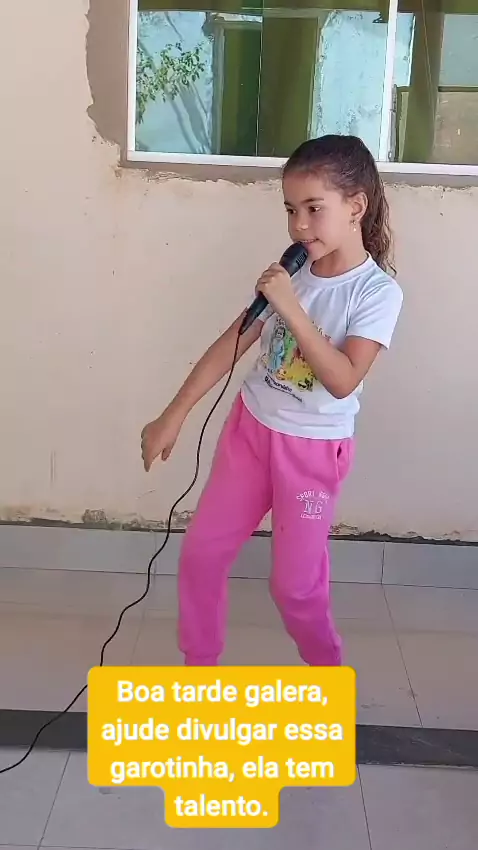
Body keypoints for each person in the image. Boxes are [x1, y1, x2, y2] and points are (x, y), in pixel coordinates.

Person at [141, 135, 403, 668]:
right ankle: (199, 675)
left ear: (356, 207)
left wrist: (292, 307)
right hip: (251, 431)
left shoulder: (376, 293)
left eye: (313, 209)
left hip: (312, 452)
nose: (299, 226)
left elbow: (343, 380)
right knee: (201, 556)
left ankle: (327, 674)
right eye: (290, 210)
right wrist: (174, 414)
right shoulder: (293, 272)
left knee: (294, 588)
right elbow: (235, 340)